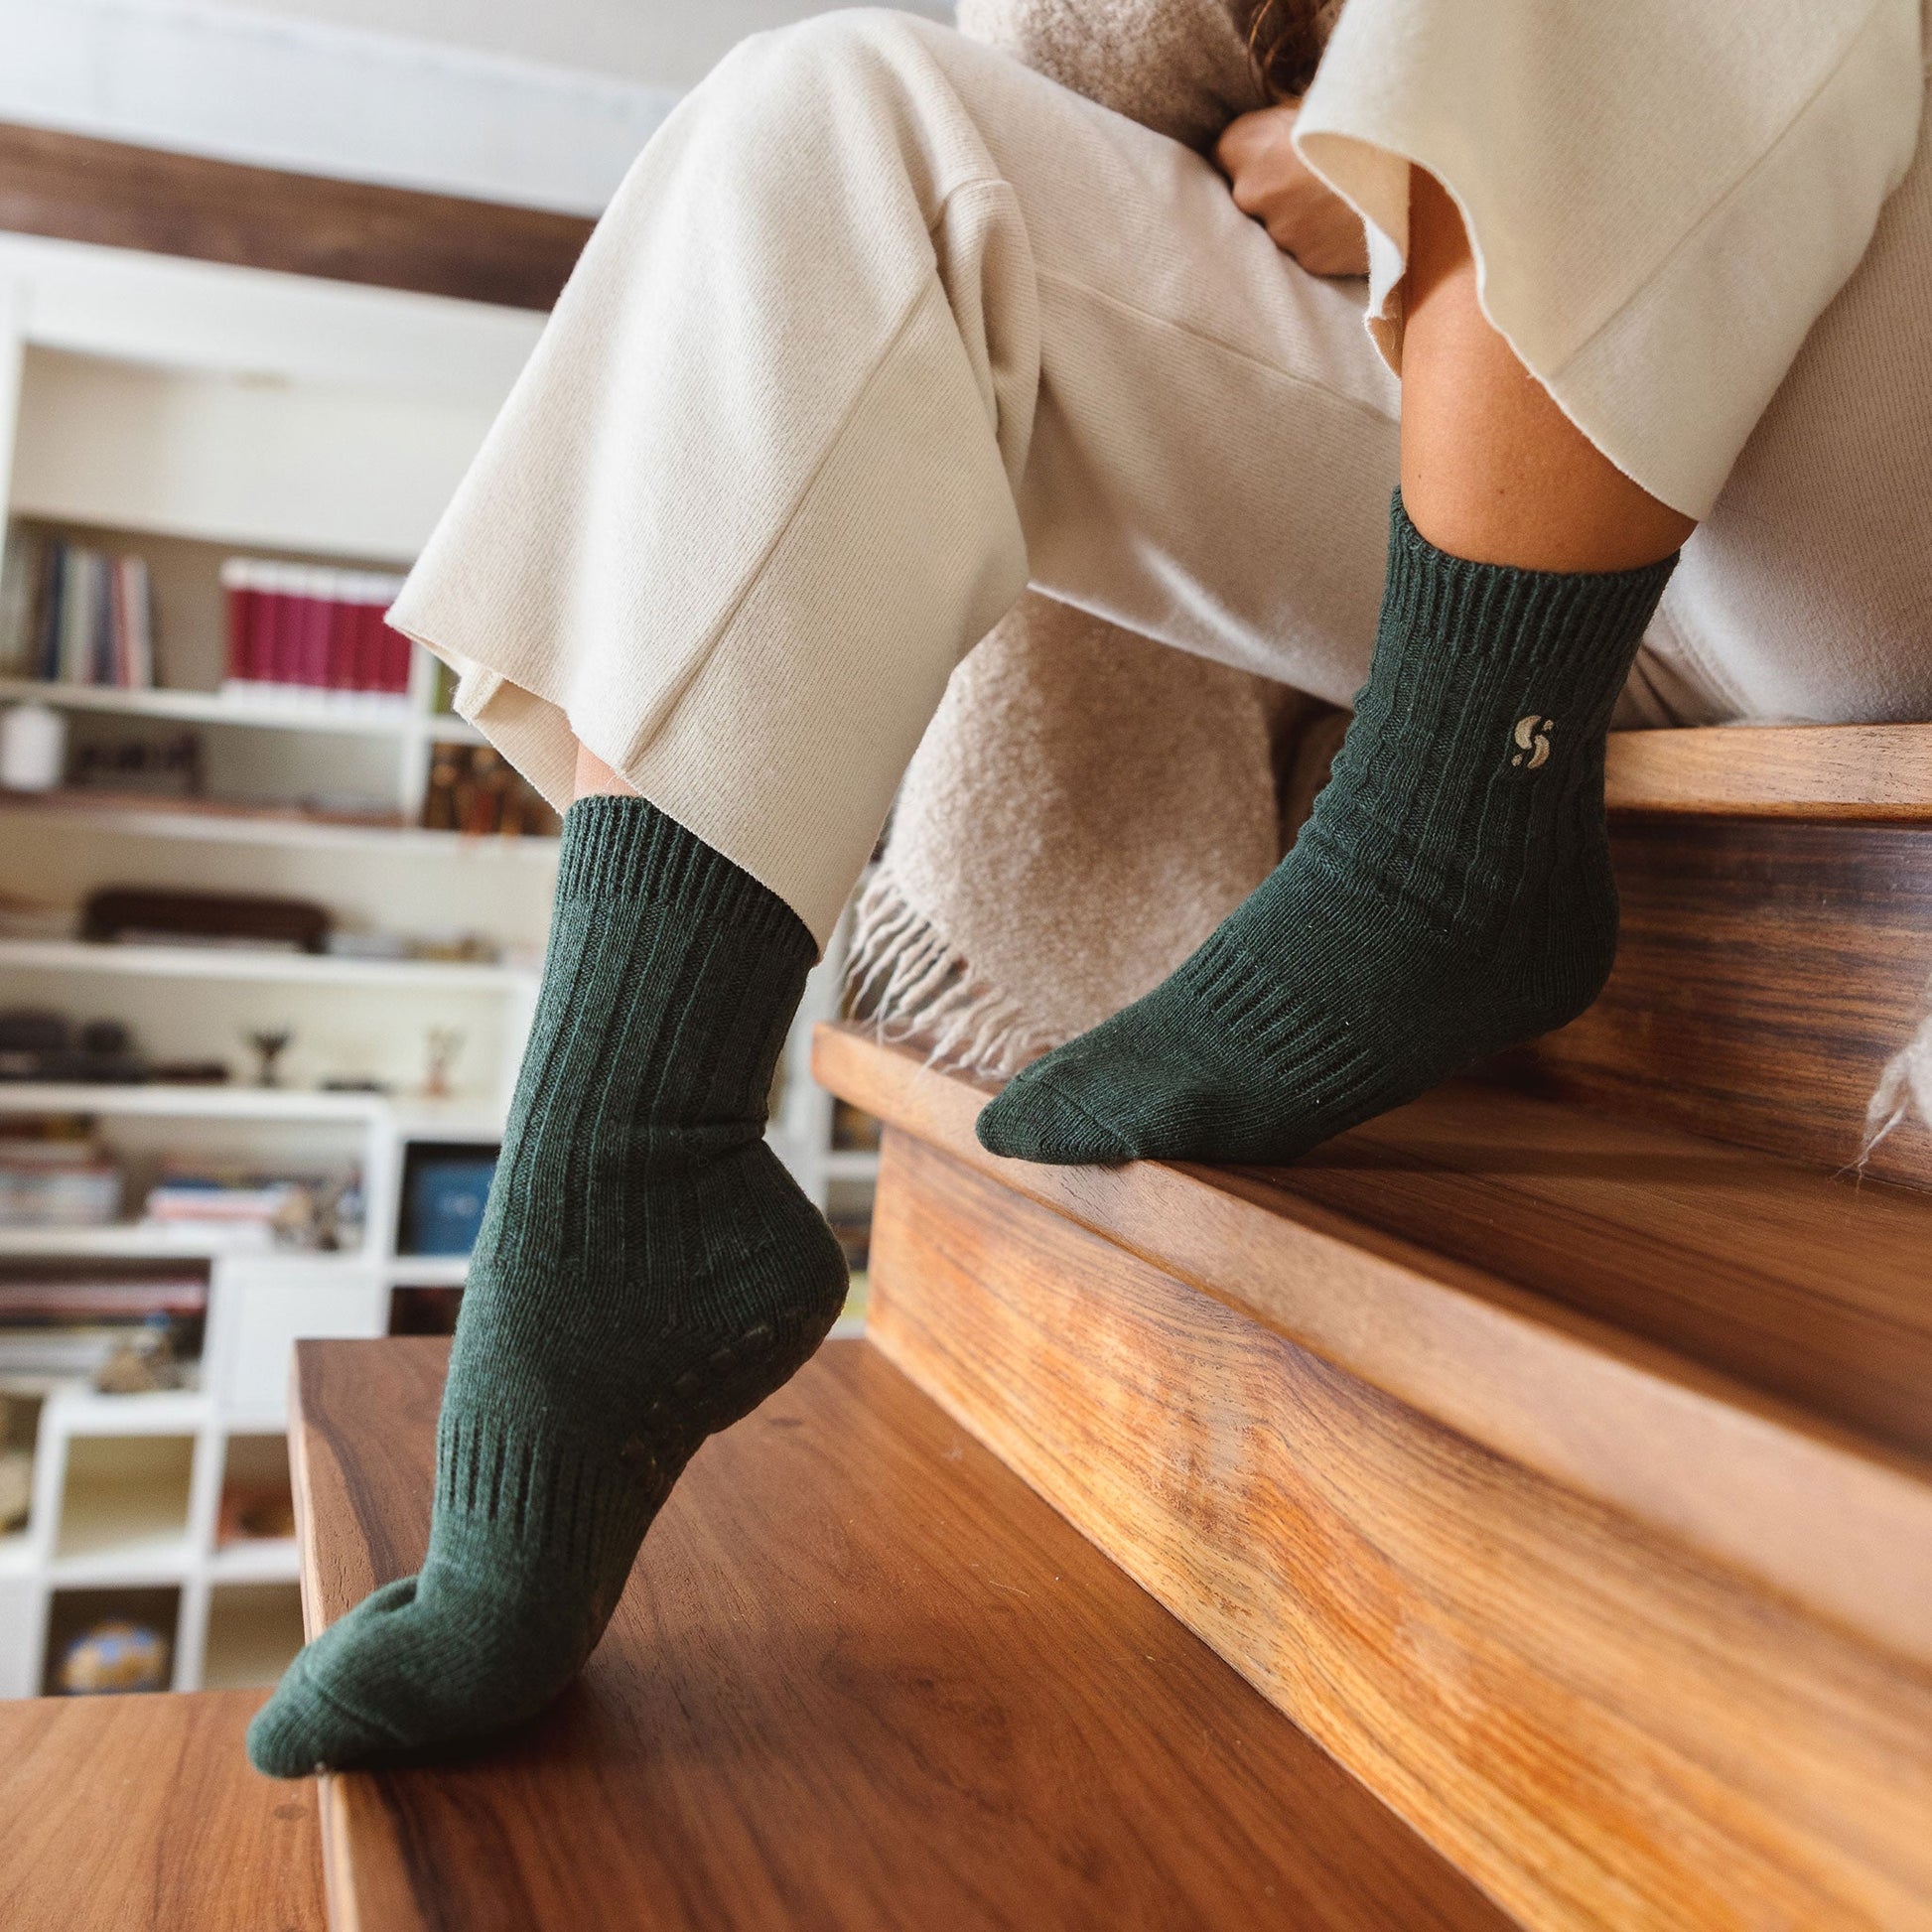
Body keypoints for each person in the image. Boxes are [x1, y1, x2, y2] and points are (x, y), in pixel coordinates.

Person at [247, 0, 1925, 1774]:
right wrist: (1420, 124)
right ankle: (621, 1167)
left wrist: (1447, 97)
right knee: (827, 129)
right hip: (1529, 435)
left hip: (1854, 450)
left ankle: (1451, 827)